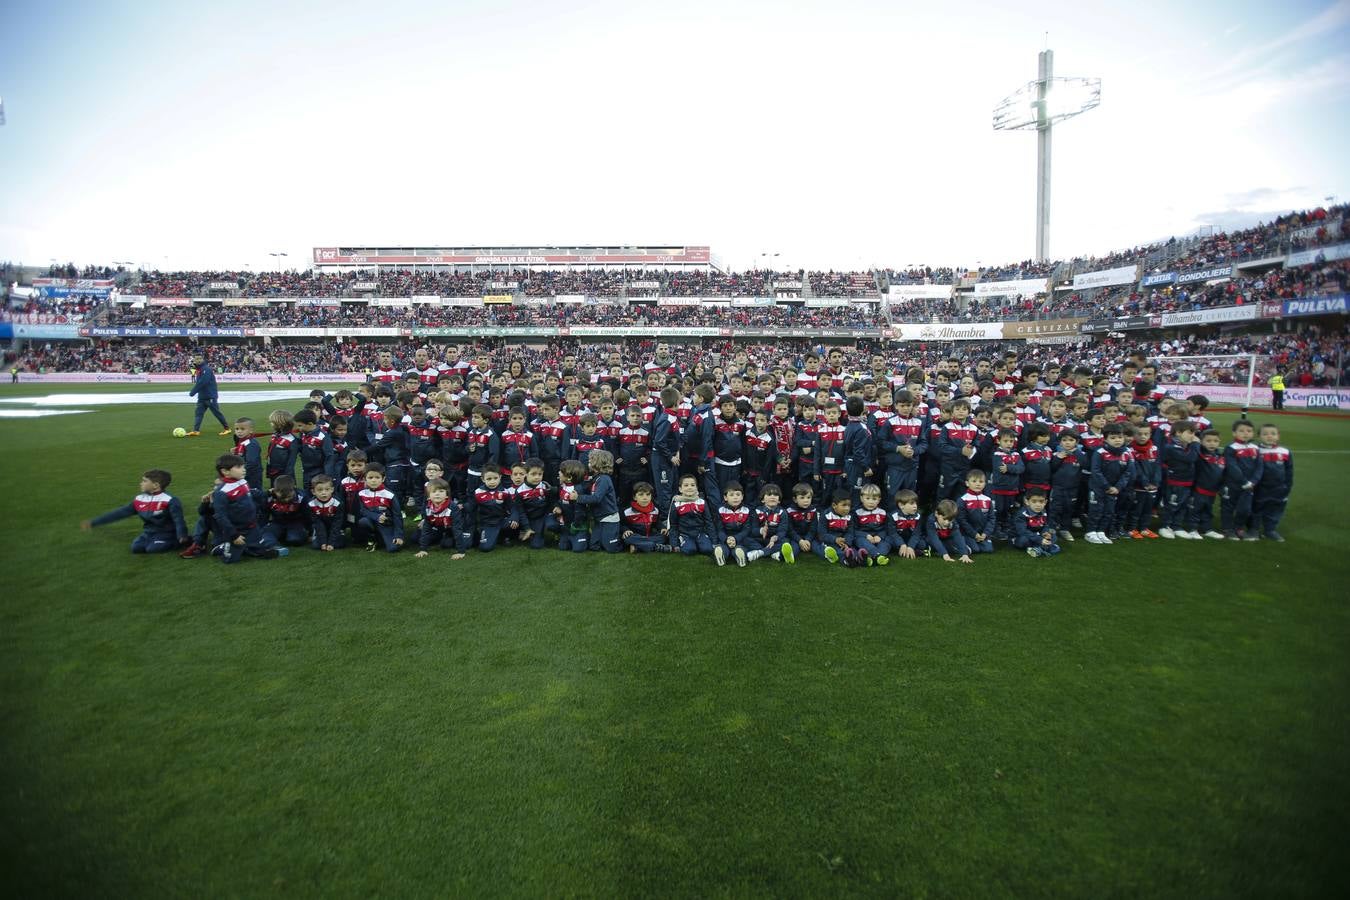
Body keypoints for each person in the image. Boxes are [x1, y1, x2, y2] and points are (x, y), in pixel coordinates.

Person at [81, 468, 188, 553]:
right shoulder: (139, 499)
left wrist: (182, 535)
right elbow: (120, 513)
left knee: (153, 549)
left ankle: (182, 541)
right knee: (136, 548)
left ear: (156, 485)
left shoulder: (170, 500)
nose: (141, 483)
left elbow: (178, 520)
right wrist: (94, 522)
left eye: (145, 481)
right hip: (148, 533)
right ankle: (154, 541)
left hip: (167, 534)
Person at [209, 453, 288, 563]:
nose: (243, 469)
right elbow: (221, 516)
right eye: (239, 467)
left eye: (243, 466)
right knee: (231, 560)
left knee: (260, 551)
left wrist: (268, 493)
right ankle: (223, 547)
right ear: (225, 472)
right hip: (237, 530)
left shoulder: (243, 482)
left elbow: (251, 493)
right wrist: (234, 535)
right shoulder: (222, 492)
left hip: (252, 526)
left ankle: (250, 548)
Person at [1222, 419, 1263, 541]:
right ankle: (1227, 528)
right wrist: (1244, 481)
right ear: (1234, 433)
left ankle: (1238, 527)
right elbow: (1232, 467)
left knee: (1245, 508)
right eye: (1241, 431)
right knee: (1228, 507)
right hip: (1232, 484)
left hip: (1249, 485)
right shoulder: (1231, 448)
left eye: (1249, 431)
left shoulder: (1255, 447)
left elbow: (1260, 467)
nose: (1245, 433)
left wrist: (1253, 481)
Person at [575, 450, 622, 553]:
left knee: (611, 548)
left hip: (609, 517)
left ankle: (627, 540)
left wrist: (578, 498)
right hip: (599, 518)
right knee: (594, 546)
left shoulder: (604, 479)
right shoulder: (596, 478)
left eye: (591, 460)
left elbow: (596, 498)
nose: (589, 463)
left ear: (598, 463)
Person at [353, 463, 404, 553]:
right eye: (370, 478)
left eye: (377, 477)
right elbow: (363, 510)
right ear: (365, 479)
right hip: (370, 523)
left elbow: (397, 516)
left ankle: (381, 538)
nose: (374, 480)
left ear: (383, 479)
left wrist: (399, 535)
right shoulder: (362, 494)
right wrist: (376, 517)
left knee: (393, 548)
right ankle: (372, 539)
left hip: (386, 524)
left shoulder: (390, 495)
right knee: (363, 521)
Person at [1255, 424, 1292, 541]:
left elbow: (1289, 471)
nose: (1269, 436)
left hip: (1279, 488)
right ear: (1259, 436)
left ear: (1278, 436)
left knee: (1275, 510)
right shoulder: (1256, 451)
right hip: (1260, 488)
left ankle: (1270, 530)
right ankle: (1253, 529)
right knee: (1256, 509)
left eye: (1273, 433)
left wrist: (1287, 487)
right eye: (1265, 434)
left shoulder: (1285, 452)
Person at [414, 478, 468, 559]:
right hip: (439, 528)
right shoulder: (428, 507)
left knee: (447, 544)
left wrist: (461, 551)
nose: (437, 494)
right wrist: (423, 549)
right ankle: (441, 536)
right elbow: (426, 527)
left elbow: (457, 529)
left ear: (447, 495)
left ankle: (469, 536)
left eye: (441, 491)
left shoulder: (452, 507)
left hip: (453, 528)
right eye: (434, 492)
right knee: (416, 538)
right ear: (429, 496)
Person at [668, 474, 714, 557]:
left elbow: (709, 522)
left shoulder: (702, 502)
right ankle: (685, 541)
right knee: (689, 550)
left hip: (700, 532)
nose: (689, 487)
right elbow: (673, 525)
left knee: (707, 549)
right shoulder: (676, 504)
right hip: (685, 534)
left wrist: (714, 541)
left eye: (692, 485)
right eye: (686, 485)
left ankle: (702, 542)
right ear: (680, 489)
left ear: (696, 488)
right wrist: (674, 544)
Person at [187, 355, 231, 437]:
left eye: (194, 363)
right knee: (198, 413)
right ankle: (196, 430)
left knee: (216, 413)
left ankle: (227, 428)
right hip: (202, 396)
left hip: (210, 396)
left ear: (198, 363)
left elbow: (203, 382)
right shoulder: (200, 370)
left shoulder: (206, 370)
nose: (193, 365)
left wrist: (193, 392)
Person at [622, 482, 671, 553]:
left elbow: (657, 523)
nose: (645, 498)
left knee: (664, 536)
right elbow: (622, 524)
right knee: (627, 538)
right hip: (636, 536)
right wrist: (625, 530)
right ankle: (655, 547)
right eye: (641, 495)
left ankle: (638, 547)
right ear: (635, 497)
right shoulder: (627, 512)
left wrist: (662, 528)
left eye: (648, 495)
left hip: (650, 536)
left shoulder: (655, 510)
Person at [851, 483, 893, 565]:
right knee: (861, 541)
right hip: (863, 537)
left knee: (887, 543)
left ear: (879, 499)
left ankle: (871, 557)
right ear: (861, 498)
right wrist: (865, 535)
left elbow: (886, 529)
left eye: (874, 499)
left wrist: (880, 536)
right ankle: (877, 556)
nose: (871, 502)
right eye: (867, 498)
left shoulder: (883, 512)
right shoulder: (857, 512)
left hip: (878, 537)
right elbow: (853, 530)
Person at [1011, 489, 1060, 558]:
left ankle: (1038, 548)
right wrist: (1040, 539)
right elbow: (1022, 531)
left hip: (1036, 535)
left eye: (1041, 501)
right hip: (1021, 536)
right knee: (1023, 541)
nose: (1038, 505)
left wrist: (1045, 533)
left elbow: (1045, 525)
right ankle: (1043, 547)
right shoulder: (1021, 514)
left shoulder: (1043, 511)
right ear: (1027, 502)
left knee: (1053, 536)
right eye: (1034, 501)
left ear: (1045, 502)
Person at [925, 498, 972, 563]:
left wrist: (965, 554)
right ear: (936, 514)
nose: (947, 522)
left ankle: (962, 549)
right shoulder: (931, 520)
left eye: (950, 520)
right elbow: (934, 538)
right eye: (944, 519)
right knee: (926, 543)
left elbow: (958, 537)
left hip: (946, 539)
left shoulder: (953, 523)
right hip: (930, 539)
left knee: (955, 549)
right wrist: (945, 554)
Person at [307, 475, 345, 551]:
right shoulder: (311, 504)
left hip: (334, 526)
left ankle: (337, 536)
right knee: (316, 546)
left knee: (340, 543)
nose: (324, 493)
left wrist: (331, 543)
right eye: (320, 490)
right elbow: (317, 523)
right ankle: (319, 537)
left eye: (327, 489)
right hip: (320, 528)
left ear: (332, 489)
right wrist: (323, 542)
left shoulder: (337, 503)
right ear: (313, 492)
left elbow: (337, 522)